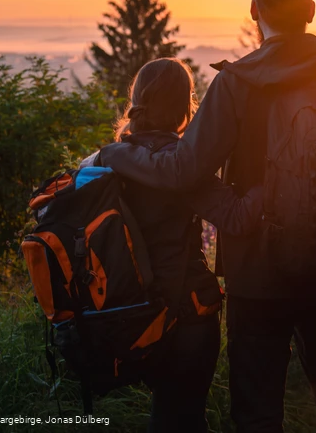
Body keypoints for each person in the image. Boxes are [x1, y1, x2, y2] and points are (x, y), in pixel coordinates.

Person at [99, 0, 316, 433]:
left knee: (257, 412)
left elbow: (181, 169)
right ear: (312, 9)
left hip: (259, 278)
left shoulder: (236, 84)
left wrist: (114, 154)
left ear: (255, 9)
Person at [83, 58, 262, 433]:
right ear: (186, 107)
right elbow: (239, 218)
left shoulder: (106, 161)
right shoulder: (181, 166)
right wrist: (273, 176)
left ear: (137, 101)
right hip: (187, 317)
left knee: (166, 415)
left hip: (129, 315)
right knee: (181, 417)